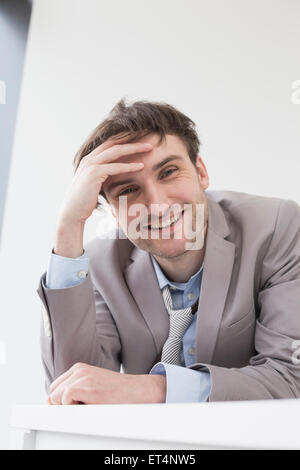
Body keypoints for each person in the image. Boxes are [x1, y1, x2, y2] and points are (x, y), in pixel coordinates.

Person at [37, 99, 300, 405]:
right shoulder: (98, 263)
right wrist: (69, 227)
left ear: (200, 171)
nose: (157, 205)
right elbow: (73, 390)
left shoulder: (277, 227)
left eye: (169, 172)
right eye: (127, 190)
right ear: (113, 211)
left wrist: (152, 389)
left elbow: (291, 377)